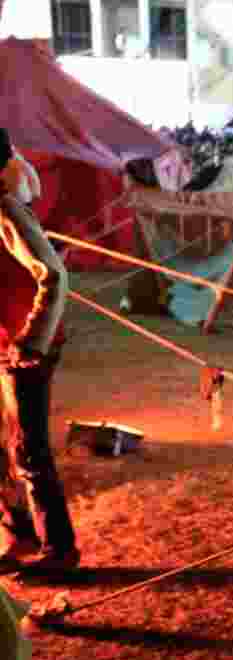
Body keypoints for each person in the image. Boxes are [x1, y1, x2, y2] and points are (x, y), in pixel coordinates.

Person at [0, 129, 79, 575]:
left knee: (28, 450)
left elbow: (53, 274)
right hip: (3, 343)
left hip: (25, 346)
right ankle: (20, 536)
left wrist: (32, 338)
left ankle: (59, 550)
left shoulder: (6, 210)